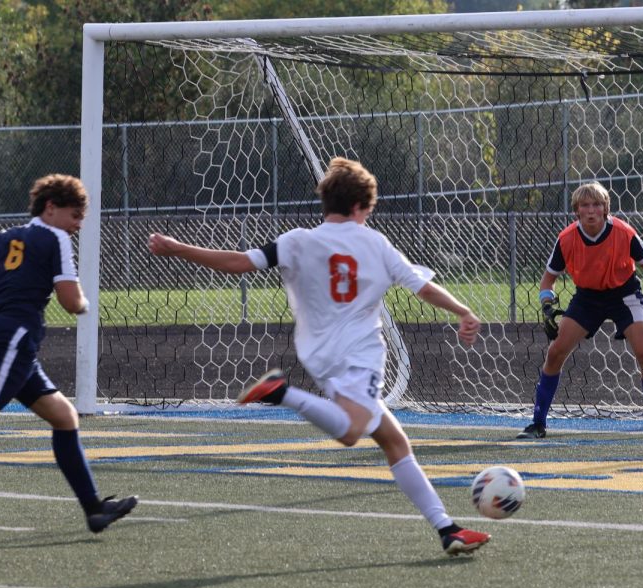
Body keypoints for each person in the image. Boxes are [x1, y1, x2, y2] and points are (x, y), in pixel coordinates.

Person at [147, 157, 489, 556]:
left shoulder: (296, 240)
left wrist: (177, 248)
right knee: (349, 432)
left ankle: (447, 528)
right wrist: (463, 312)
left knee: (395, 442)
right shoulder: (375, 243)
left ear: (326, 204)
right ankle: (280, 393)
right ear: (362, 207)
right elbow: (422, 288)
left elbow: (238, 263)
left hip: (317, 354)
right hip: (359, 357)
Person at [0, 174, 137, 533]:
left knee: (64, 417)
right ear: (51, 208)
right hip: (15, 340)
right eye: (75, 215)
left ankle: (94, 508)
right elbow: (69, 299)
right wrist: (83, 303)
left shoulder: (4, 238)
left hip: (8, 341)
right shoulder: (55, 238)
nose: (78, 225)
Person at [517, 181, 643, 440]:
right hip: (587, 298)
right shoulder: (566, 239)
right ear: (576, 211)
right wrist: (547, 306)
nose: (591, 210)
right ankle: (537, 424)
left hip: (624, 294)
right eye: (585, 205)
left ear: (606, 209)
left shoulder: (624, 232)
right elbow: (548, 280)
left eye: (597, 205)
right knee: (555, 352)